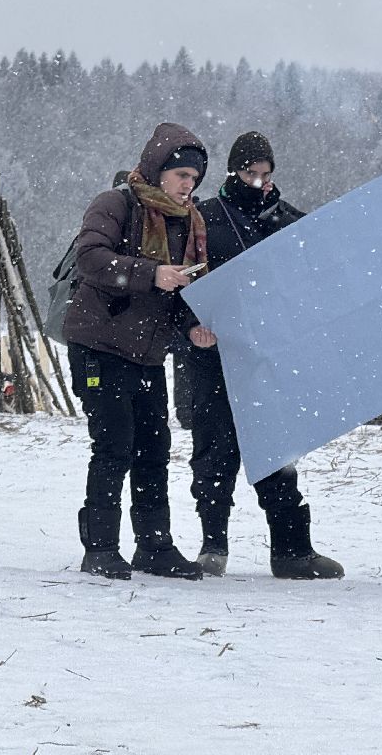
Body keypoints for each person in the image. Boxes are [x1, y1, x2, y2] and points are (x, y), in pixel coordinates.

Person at [179, 130, 343, 579]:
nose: (260, 182)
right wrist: (191, 327)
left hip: (268, 356)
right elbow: (181, 286)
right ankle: (213, 545)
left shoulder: (286, 219)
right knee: (215, 451)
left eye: (267, 174)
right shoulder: (204, 218)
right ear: (234, 172)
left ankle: (291, 550)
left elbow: (319, 272)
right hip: (212, 357)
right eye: (252, 173)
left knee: (276, 450)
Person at [64, 123, 212, 580]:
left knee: (154, 449)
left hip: (148, 351)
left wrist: (193, 327)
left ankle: (154, 546)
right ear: (158, 170)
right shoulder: (115, 204)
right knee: (113, 446)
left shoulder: (189, 222)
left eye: (194, 178)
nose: (189, 185)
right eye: (182, 175)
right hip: (99, 345)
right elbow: (89, 258)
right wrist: (151, 274)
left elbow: (183, 285)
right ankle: (102, 548)